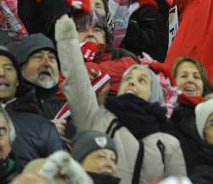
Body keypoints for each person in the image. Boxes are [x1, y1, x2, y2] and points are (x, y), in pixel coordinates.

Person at [55, 14, 186, 184]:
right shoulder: (98, 118)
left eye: (142, 81)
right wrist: (67, 35)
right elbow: (76, 82)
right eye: (128, 78)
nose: (132, 81)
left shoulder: (168, 143)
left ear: (153, 94)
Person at [165, 57, 213, 174]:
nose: (190, 80)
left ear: (204, 86)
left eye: (197, 77)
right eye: (184, 76)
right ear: (172, 82)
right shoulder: (163, 117)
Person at [7, 34, 64, 128]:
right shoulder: (5, 104)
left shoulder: (67, 110)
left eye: (52, 58)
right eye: (38, 57)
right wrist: (44, 131)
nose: (47, 63)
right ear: (20, 67)